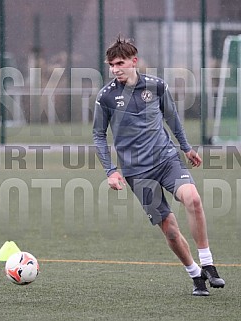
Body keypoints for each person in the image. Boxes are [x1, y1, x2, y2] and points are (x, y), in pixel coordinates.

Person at [92, 36, 225, 296]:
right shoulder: (106, 97)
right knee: (171, 231)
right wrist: (110, 170)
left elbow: (172, 118)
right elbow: (98, 135)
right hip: (136, 173)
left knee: (193, 199)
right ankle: (196, 275)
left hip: (166, 160)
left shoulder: (156, 86)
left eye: (119, 63)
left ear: (134, 61)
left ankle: (208, 262)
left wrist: (186, 147)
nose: (115, 69)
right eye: (111, 65)